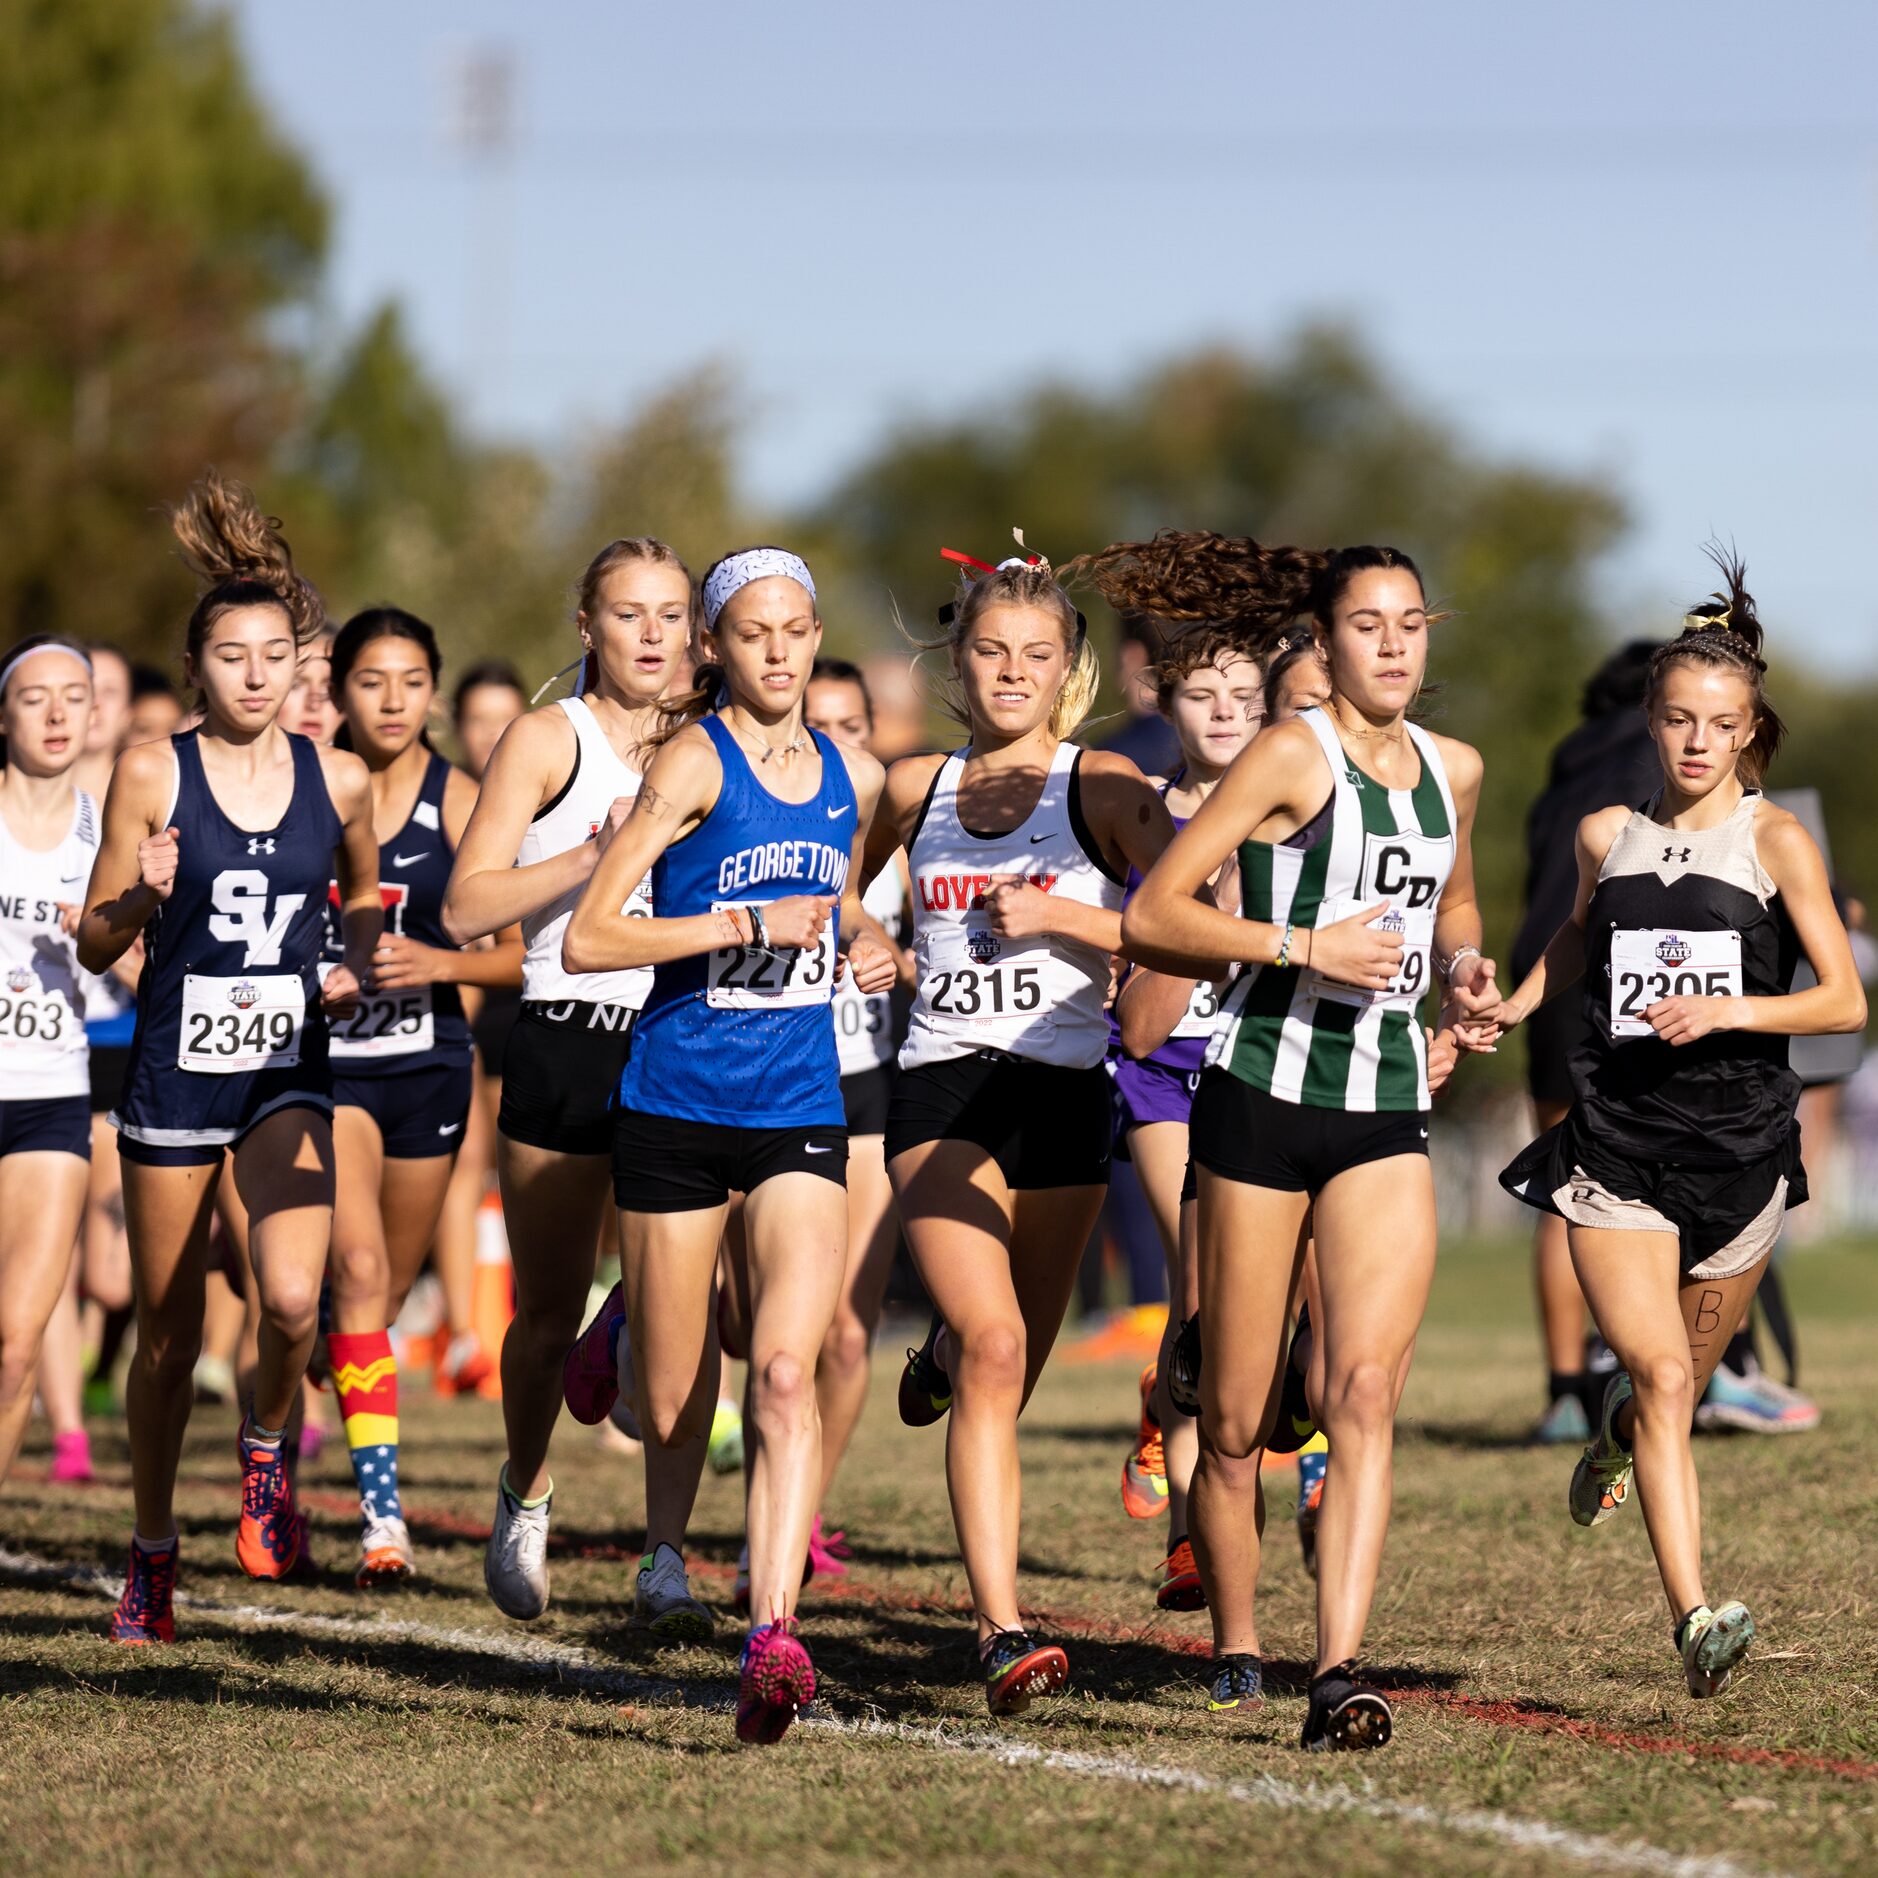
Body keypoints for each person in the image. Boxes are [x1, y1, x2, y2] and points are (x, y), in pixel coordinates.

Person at [1092, 530, 1500, 1748]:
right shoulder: (1287, 753)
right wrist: (1305, 948)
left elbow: (1457, 898)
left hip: (1382, 1109)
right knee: (1231, 1421)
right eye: (1367, 625)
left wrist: (1465, 972)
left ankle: (1339, 1669)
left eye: (1410, 623)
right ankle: (1236, 1640)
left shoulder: (1455, 769)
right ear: (1323, 643)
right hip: (1259, 1099)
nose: (1391, 644)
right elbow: (1161, 912)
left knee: (1362, 1391)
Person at [1497, 554, 1864, 1701]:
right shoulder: (1604, 834)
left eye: (1722, 725)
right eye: (1680, 721)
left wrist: (1733, 1009)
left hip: (1745, 1156)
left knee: (1676, 1387)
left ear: (1751, 733)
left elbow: (1845, 999)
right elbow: (1572, 943)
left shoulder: (1777, 843)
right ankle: (1696, 1618)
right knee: (1660, 1375)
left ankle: (1612, 1430)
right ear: (1650, 724)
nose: (1698, 742)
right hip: (1617, 1146)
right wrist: (1503, 1006)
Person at [564, 545, 895, 1746]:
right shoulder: (691, 762)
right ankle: (628, 1324)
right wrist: (745, 919)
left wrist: (865, 940)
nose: (777, 651)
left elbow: (839, 895)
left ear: (815, 638)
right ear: (715, 647)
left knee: (789, 1370)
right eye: (752, 632)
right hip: (674, 1103)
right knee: (667, 1393)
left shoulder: (849, 775)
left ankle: (771, 1635)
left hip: (797, 1102)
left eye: (796, 630)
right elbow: (596, 936)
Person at [873, 545, 1178, 1716]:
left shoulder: (1101, 788)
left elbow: (1189, 909)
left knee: (1008, 1364)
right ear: (961, 662)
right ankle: (1001, 1632)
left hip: (1066, 1092)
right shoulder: (913, 791)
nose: (1011, 671)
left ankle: (943, 1356)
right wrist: (864, 935)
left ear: (1070, 671)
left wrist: (1096, 945)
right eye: (992, 651)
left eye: (1035, 655)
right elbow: (848, 896)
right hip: (942, 1087)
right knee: (1001, 1348)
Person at [77, 473, 379, 1644]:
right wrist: (136, 898)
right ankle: (152, 1551)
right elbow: (97, 936)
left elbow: (357, 898)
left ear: (300, 664)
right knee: (167, 1335)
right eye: (231, 658)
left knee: (295, 1300)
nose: (256, 676)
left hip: (286, 1068)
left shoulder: (335, 776)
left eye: (274, 657)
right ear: (198, 667)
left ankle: (265, 1451)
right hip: (174, 1075)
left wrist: (351, 954)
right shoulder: (154, 770)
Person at [442, 538, 714, 1640]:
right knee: (545, 1313)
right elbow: (465, 909)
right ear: (586, 627)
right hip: (565, 1029)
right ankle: (526, 1485)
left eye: (669, 615)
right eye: (627, 614)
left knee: (702, 1290)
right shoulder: (548, 739)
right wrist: (591, 858)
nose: (651, 635)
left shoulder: (713, 744)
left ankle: (663, 1536)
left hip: (686, 1031)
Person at [322, 609, 524, 1584]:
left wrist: (437, 961)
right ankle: (381, 1520)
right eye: (372, 680)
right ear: (338, 691)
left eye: (411, 681)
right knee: (357, 1272)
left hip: (428, 1067)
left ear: (433, 694)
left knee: (384, 1296)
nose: (393, 699)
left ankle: (298, 1390)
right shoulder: (304, 791)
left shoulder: (461, 802)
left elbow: (524, 958)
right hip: (322, 1075)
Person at [1104, 627, 1264, 1614]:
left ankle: (1161, 1401)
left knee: (1243, 1308)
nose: (1223, 711)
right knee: (1199, 1286)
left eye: (1243, 694)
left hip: (1254, 1070)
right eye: (1203, 693)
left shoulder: (1292, 815)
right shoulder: (1139, 814)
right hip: (1160, 1071)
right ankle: (1186, 1544)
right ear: (1167, 701)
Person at [1510, 641, 1664, 1443]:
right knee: (1650, 1178)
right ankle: (1662, 1376)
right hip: (1615, 979)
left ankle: (1565, 1389)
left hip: (1539, 982)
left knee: (1560, 1189)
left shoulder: (1562, 772)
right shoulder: (1657, 760)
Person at [801, 657, 914, 1576]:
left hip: (869, 1089)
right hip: (767, 1086)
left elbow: (944, 966)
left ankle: (801, 1509)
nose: (834, 742)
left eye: (850, 726)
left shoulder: (904, 842)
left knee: (845, 1328)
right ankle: (638, 1312)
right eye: (816, 724)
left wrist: (887, 957)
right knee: (748, 1323)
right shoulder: (765, 818)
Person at [0, 639, 103, 1488]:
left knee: (15, 1342)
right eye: (37, 697)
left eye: (75, 696)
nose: (59, 712)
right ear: (4, 715)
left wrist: (100, 933)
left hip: (52, 1097)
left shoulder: (113, 830)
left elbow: (154, 976)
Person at [431, 659, 531, 1396]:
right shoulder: (445, 803)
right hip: (464, 1012)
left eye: (506, 717)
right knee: (466, 1162)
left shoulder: (552, 789)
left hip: (541, 999)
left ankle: (581, 1296)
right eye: (477, 719)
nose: (491, 733)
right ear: (455, 727)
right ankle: (464, 1332)